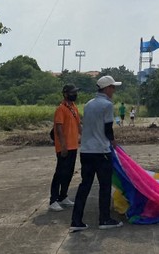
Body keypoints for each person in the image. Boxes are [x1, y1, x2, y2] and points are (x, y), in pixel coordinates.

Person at [69, 75, 124, 232]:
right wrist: (113, 142)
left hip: (86, 151)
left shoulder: (88, 104)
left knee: (84, 185)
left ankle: (76, 220)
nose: (114, 90)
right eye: (113, 87)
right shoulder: (107, 105)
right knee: (105, 186)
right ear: (107, 88)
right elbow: (108, 129)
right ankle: (104, 219)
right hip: (101, 152)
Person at [48, 84, 81, 212]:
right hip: (64, 147)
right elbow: (59, 128)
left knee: (69, 172)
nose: (75, 94)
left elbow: (79, 125)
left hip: (73, 145)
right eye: (73, 92)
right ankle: (53, 199)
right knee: (60, 173)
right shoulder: (61, 109)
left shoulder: (73, 108)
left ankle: (63, 196)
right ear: (66, 94)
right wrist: (63, 146)